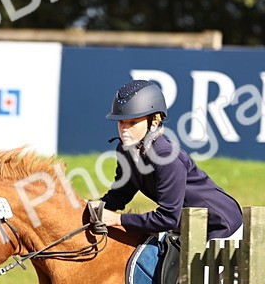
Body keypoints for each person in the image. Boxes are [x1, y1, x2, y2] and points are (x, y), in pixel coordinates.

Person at [96, 79, 243, 242]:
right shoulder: (126, 150)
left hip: (220, 227)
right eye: (121, 122)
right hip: (188, 226)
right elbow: (121, 194)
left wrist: (118, 219)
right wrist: (92, 207)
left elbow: (167, 218)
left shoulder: (166, 156)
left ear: (154, 123)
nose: (124, 129)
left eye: (133, 122)